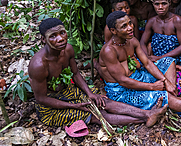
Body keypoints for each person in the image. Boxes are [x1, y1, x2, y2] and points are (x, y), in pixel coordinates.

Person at [28, 18, 166, 128]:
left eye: (62, 33)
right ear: (43, 40)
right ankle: (144, 117)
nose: (60, 39)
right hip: (50, 107)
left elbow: (75, 74)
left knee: (103, 101)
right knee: (95, 114)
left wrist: (89, 93)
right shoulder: (39, 65)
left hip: (68, 91)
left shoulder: (68, 50)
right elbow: (41, 98)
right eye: (53, 36)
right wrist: (74, 106)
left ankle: (148, 113)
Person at [98, 11, 181, 121]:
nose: (130, 28)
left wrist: (165, 81)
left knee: (168, 61)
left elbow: (147, 63)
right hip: (121, 90)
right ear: (113, 31)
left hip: (137, 77)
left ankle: (174, 99)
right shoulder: (109, 51)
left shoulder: (131, 40)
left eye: (129, 23)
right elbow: (123, 81)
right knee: (162, 95)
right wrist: (153, 86)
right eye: (124, 26)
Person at [140, 0, 181, 67]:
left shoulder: (177, 20)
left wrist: (160, 58)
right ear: (153, 4)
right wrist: (147, 58)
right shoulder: (152, 21)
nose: (160, 7)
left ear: (169, 3)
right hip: (155, 59)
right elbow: (142, 43)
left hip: (174, 60)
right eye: (157, 4)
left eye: (164, 4)